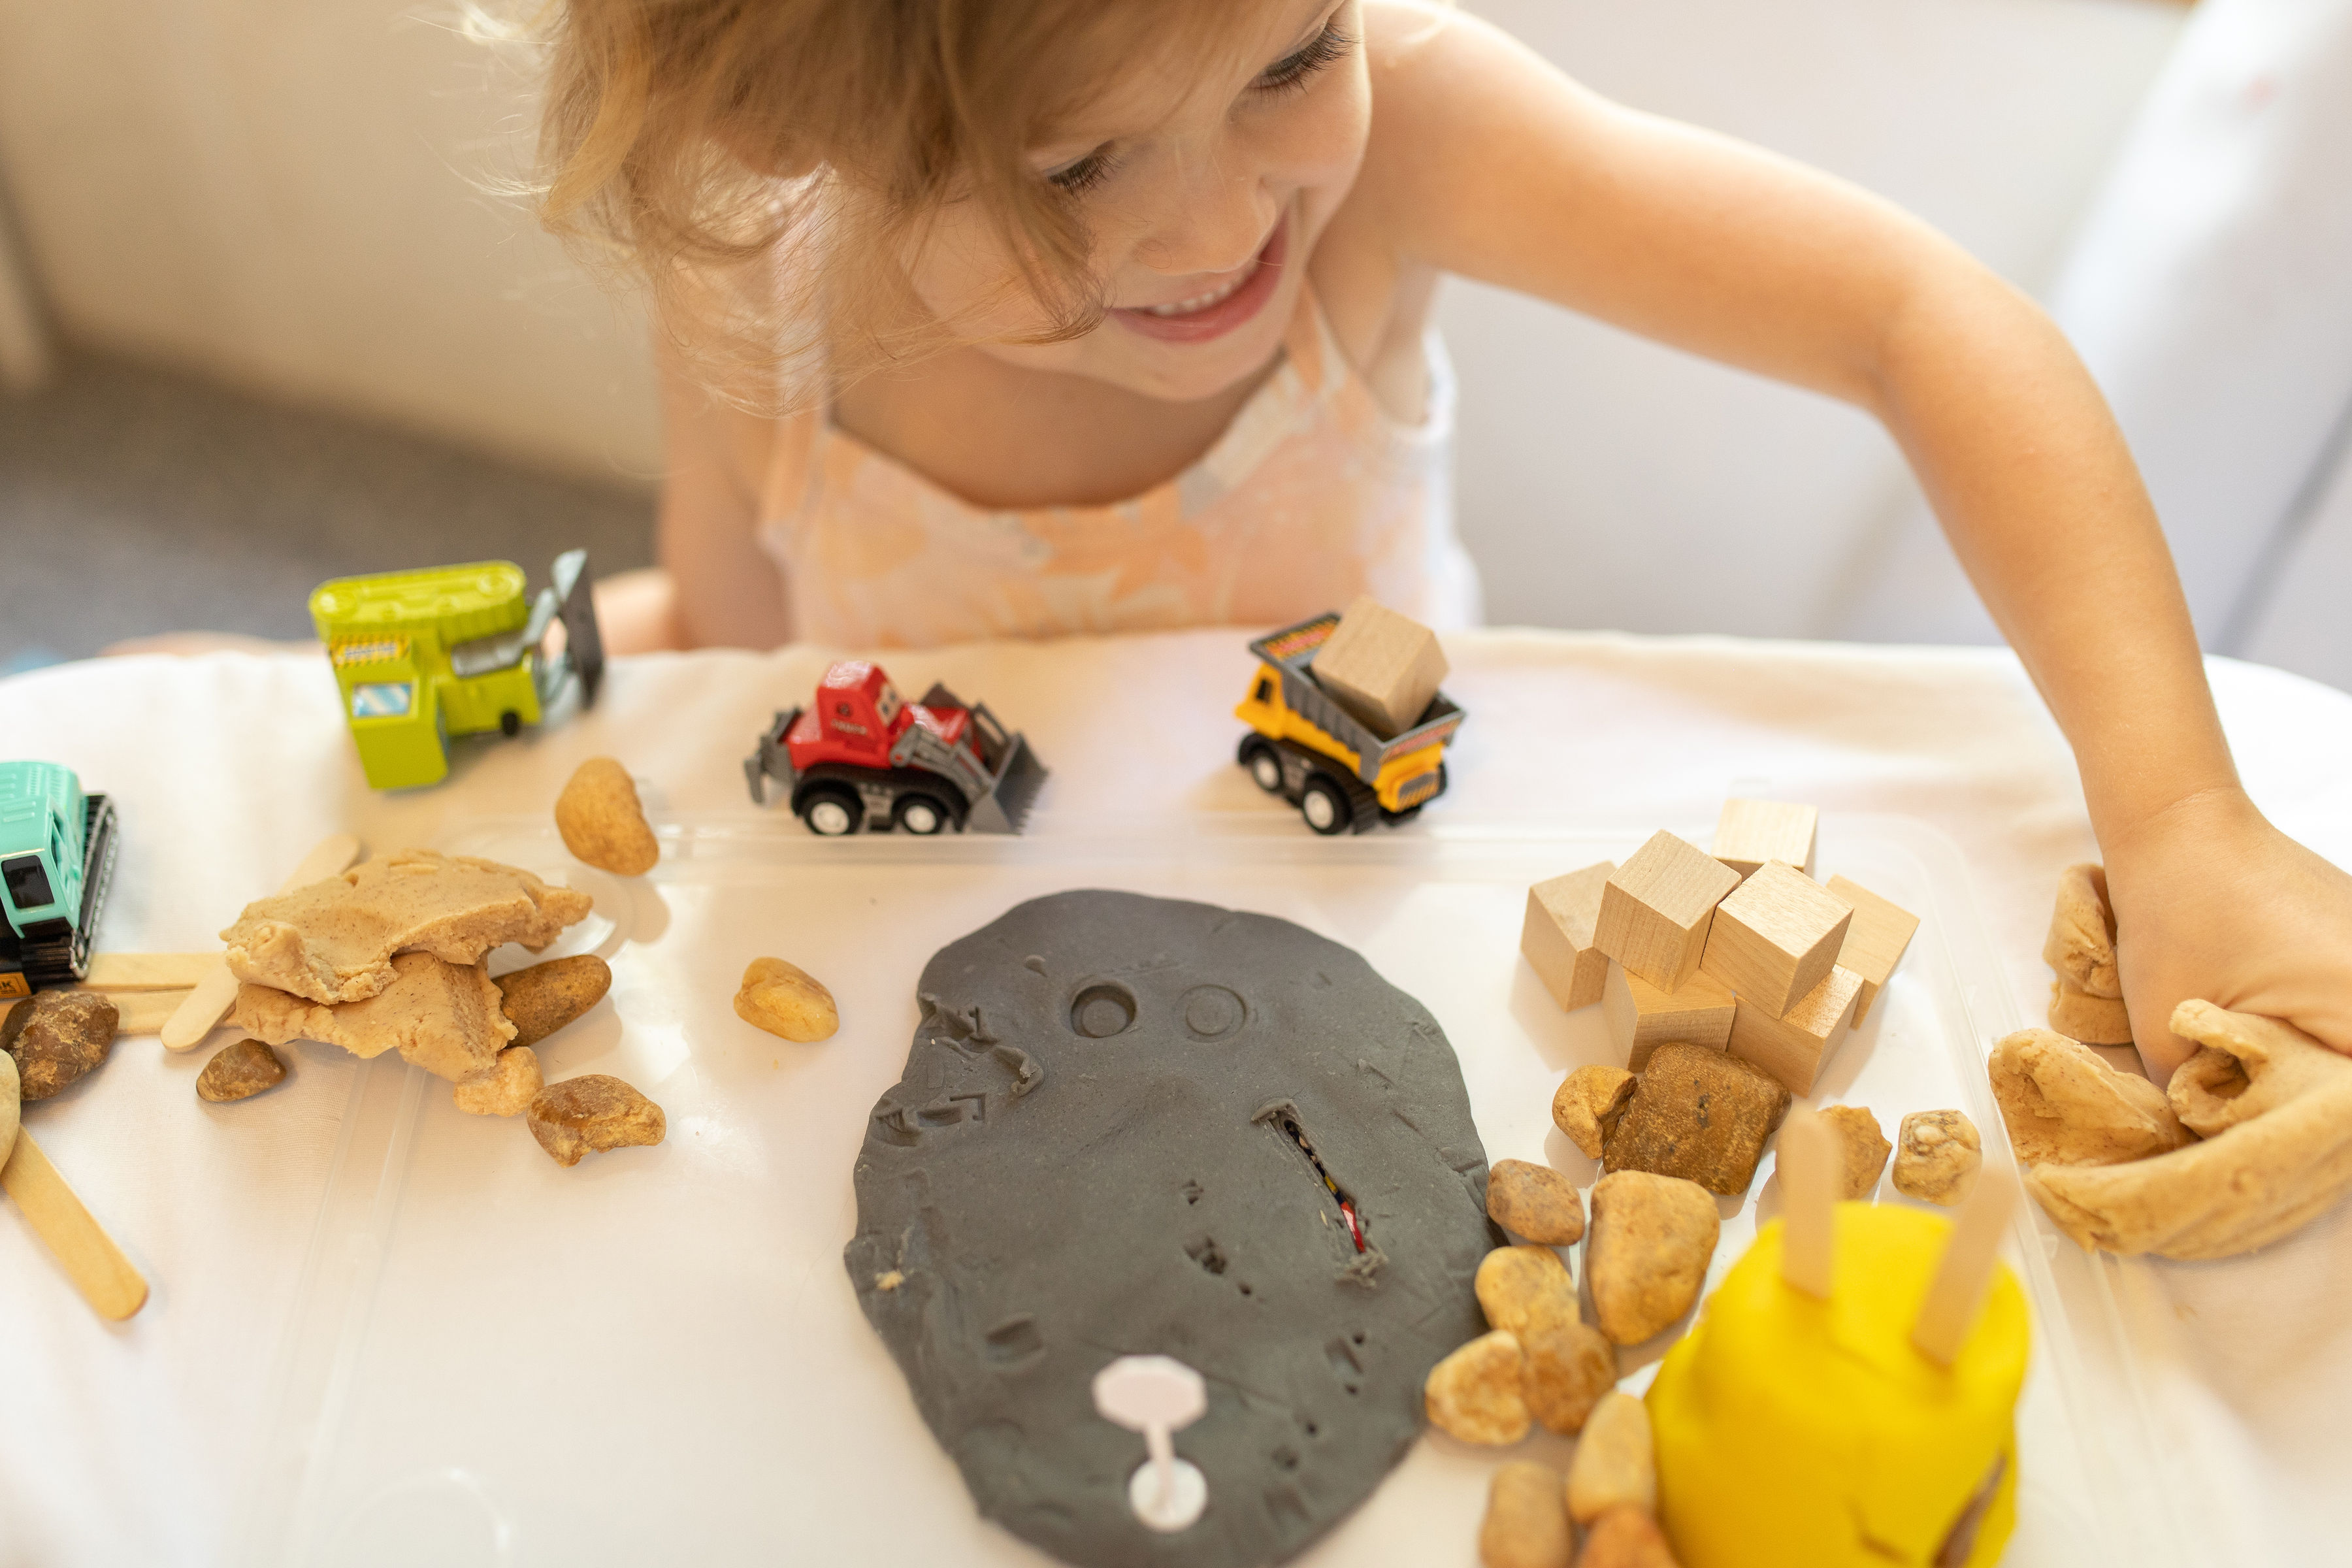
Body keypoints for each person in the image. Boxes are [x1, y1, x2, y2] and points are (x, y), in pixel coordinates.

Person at [540, 0, 2349, 1078]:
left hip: (1403, 942)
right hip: (962, 1007)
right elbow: (732, 639)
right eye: (1075, 171)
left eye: (1292, 51)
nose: (1220, 223)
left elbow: (1912, 320)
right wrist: (339, 706)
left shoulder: (1404, 138)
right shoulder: (757, 304)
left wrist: (2183, 816)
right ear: (782, 127)